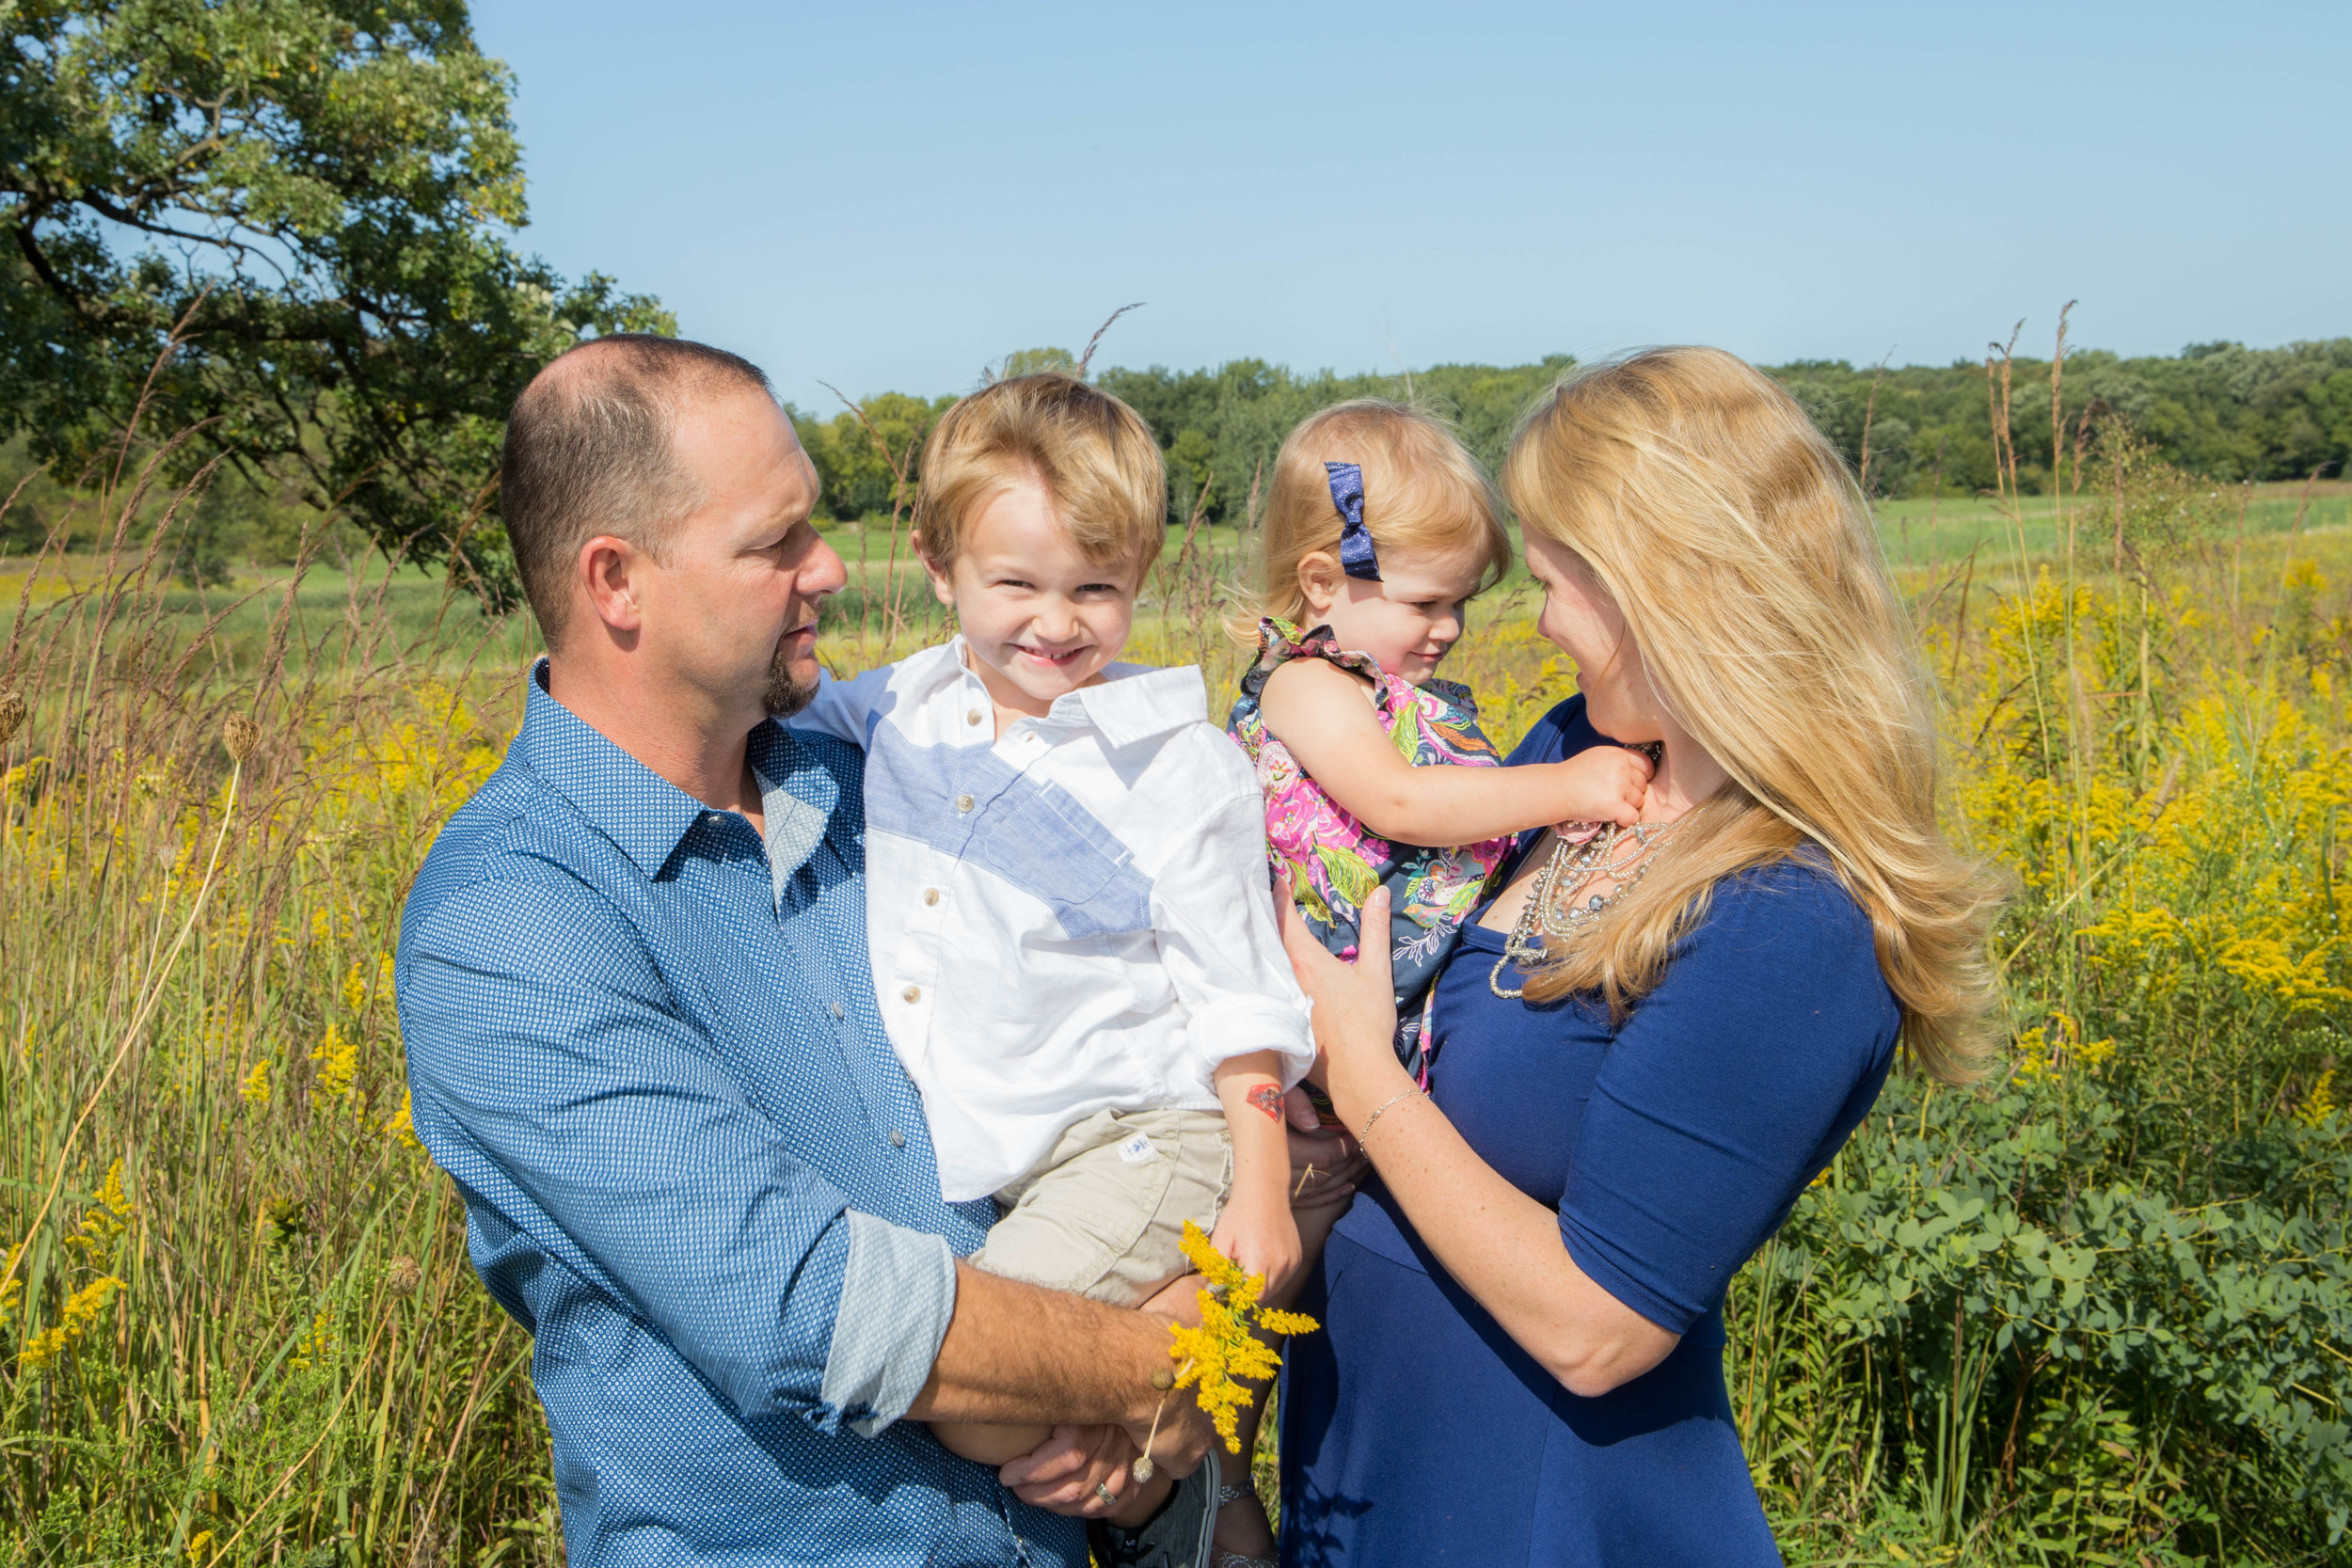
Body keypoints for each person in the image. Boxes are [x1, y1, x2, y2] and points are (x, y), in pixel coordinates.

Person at [395, 336, 1351, 1568]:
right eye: (775, 540)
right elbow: (806, 1308)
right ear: (617, 581)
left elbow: (1194, 1050)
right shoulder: (514, 922)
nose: (830, 567)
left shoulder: (881, 779)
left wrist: (1188, 1361)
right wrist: (1168, 1363)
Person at [1272, 348, 2002, 1564]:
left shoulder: (1794, 917)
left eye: (1557, 578)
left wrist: (1356, 1066)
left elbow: (1596, 1326)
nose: (1539, 617)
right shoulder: (1576, 754)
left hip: (1542, 1513)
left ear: (1666, 592)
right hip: (1359, 1466)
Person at [788, 373, 1317, 1563]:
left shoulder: (1174, 762)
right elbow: (774, 722)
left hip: (1145, 1137)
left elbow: (1239, 989)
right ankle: (1194, 1489)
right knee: (1007, 1391)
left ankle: (1167, 1488)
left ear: (1138, 573)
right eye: (1014, 584)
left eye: (1098, 588)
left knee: (971, 1386)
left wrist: (1268, 1188)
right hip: (1019, 1163)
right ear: (936, 565)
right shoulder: (901, 706)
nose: (1056, 622)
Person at [1223, 401, 1650, 1079]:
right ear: (1322, 583)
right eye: (1425, 604)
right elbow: (1398, 802)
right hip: (1327, 1008)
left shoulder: (1385, 693)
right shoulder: (1304, 682)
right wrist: (1568, 785)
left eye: (1460, 603)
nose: (1449, 627)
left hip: (1397, 1007)